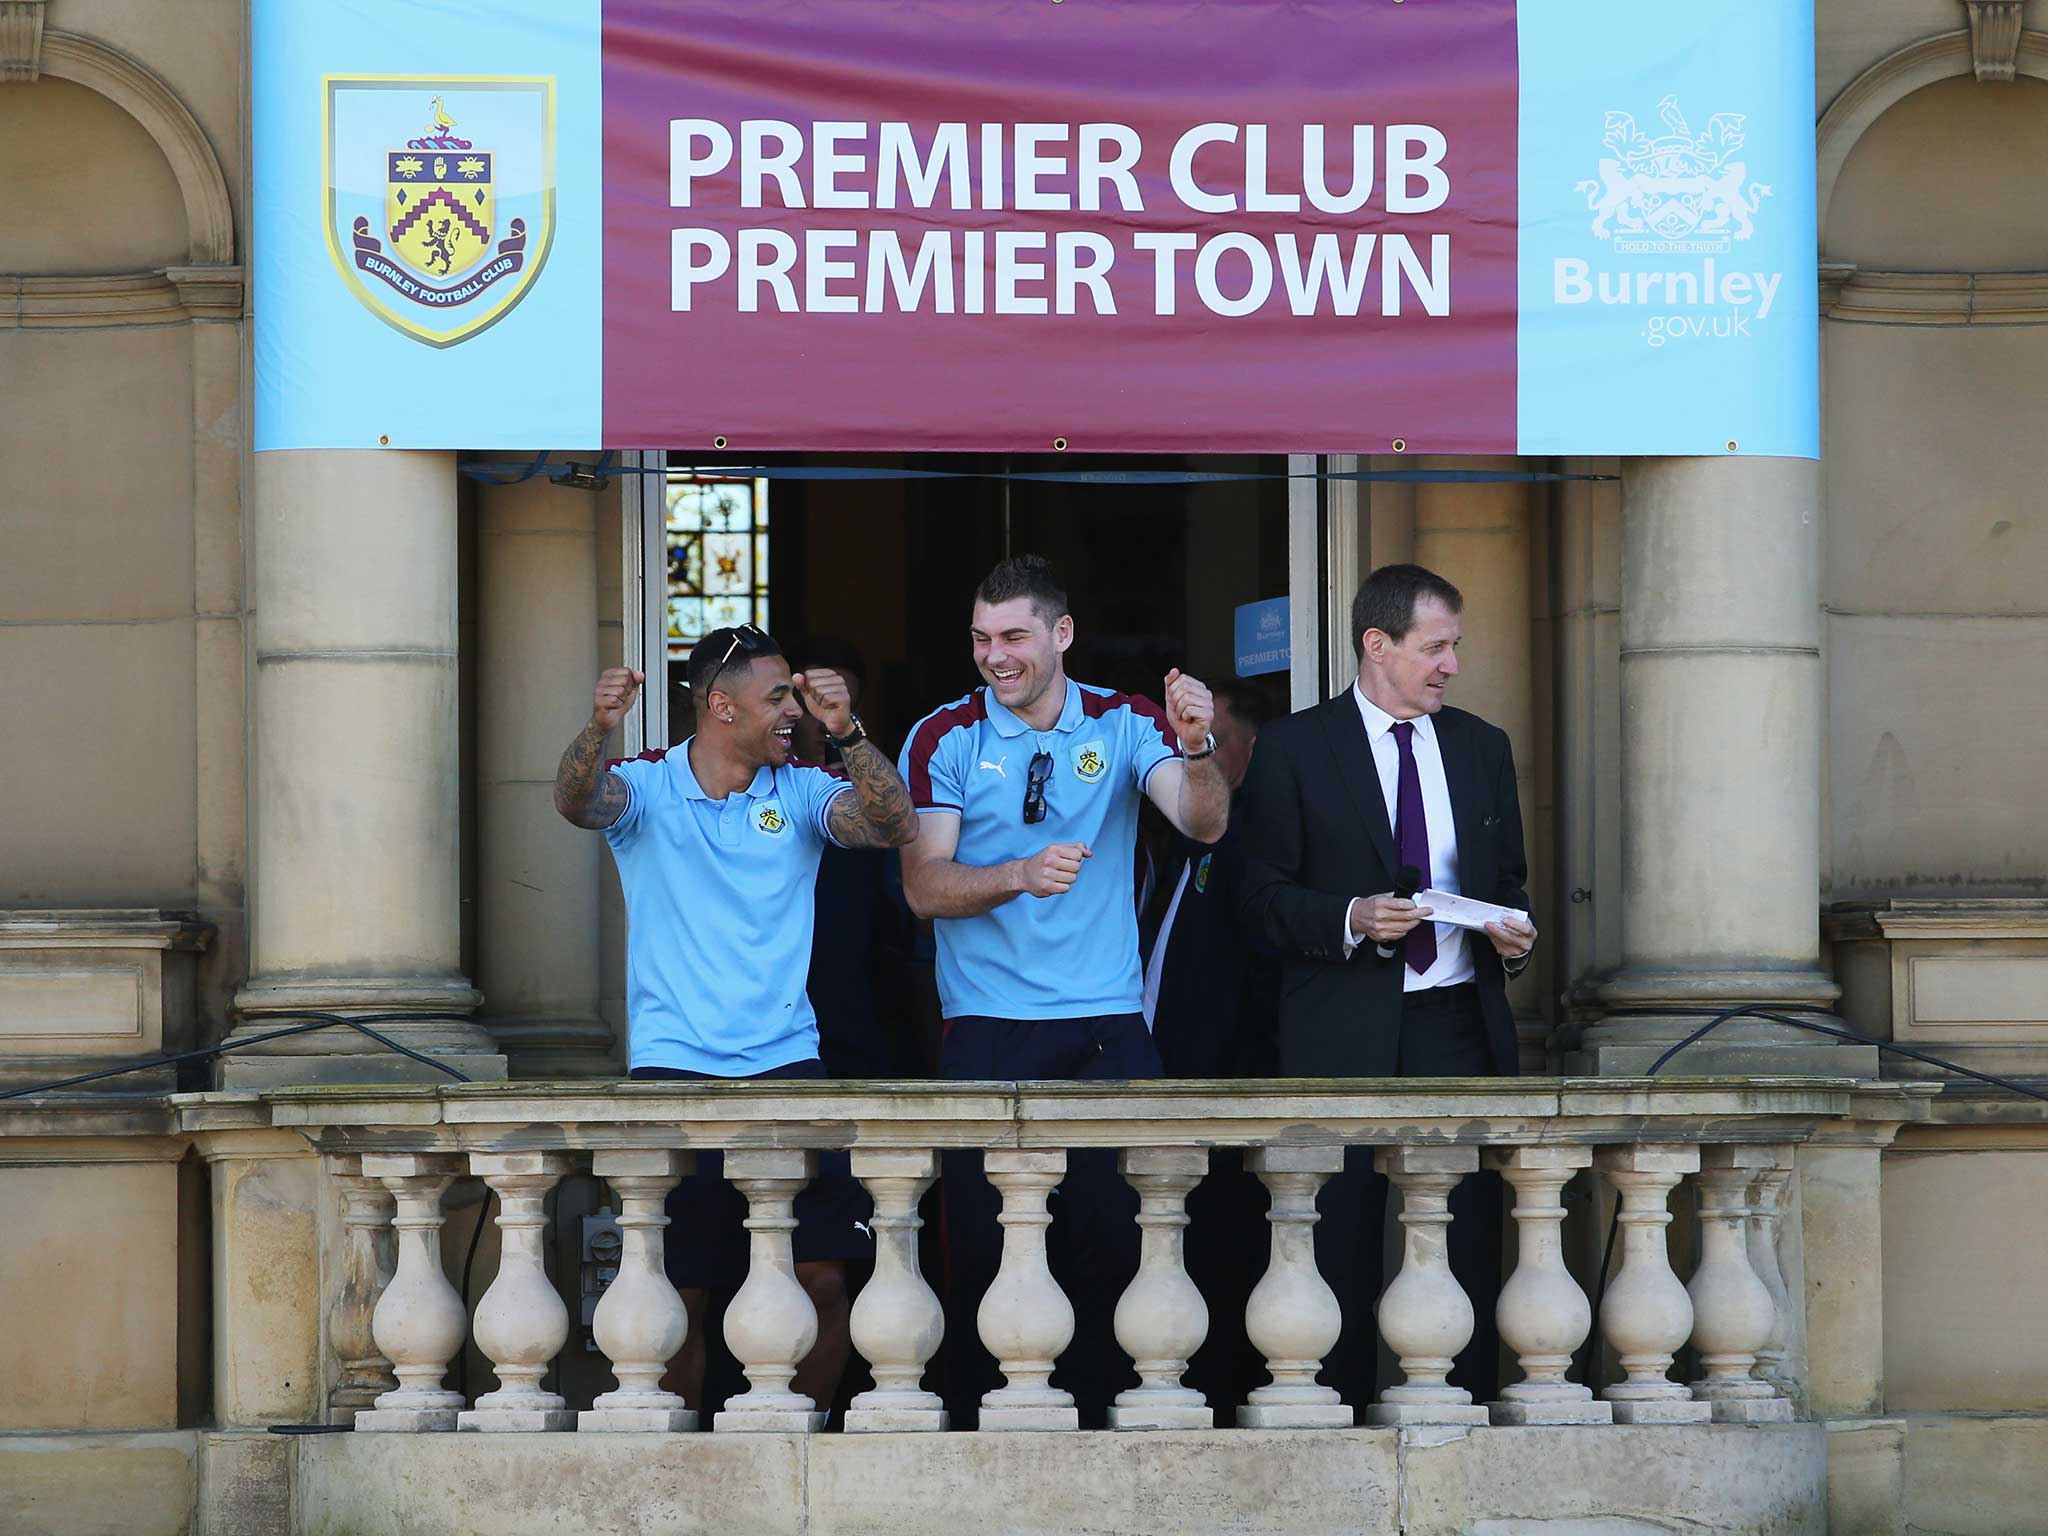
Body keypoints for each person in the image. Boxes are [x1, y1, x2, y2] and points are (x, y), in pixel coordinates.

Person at [551, 622, 918, 1418]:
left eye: (795, 695)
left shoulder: (805, 786)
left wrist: (847, 731)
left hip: (789, 1068)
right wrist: (596, 729)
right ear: (721, 706)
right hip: (674, 1073)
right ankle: (686, 1464)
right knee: (681, 1291)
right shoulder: (647, 785)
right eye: (778, 696)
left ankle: (797, 1438)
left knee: (822, 1278)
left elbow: (895, 826)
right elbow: (576, 800)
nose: (794, 709)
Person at [897, 554, 1228, 1426]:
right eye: (980, 638)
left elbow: (1203, 821)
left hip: (1109, 1028)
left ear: (1062, 634)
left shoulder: (1125, 722)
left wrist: (1197, 748)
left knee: (1123, 1250)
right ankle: (983, 1439)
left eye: (1013, 636)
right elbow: (924, 889)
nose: (994, 656)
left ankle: (1116, 1440)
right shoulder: (943, 735)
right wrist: (1017, 874)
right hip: (987, 1031)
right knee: (983, 1255)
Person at [1237, 563, 1537, 1413]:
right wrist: (1350, 917)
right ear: (1377, 644)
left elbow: (1508, 881)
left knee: (1465, 1236)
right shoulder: (1296, 747)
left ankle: (1458, 1416)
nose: (1450, 665)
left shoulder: (1482, 747)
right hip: (1340, 1027)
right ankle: (1327, 1421)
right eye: (1434, 647)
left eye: (1455, 647)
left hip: (1456, 1024)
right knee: (1336, 1236)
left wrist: (1513, 936)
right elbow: (1254, 900)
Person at [1137, 677, 1280, 1418]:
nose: (1194, 759)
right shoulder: (1182, 840)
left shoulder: (1257, 842)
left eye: (1213, 744)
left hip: (1222, 1096)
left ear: (1251, 754)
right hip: (1168, 1089)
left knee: (1223, 1263)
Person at [788, 636, 920, 1081]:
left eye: (842, 707)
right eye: (816, 705)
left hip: (857, 983)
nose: (827, 721)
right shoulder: (756, 784)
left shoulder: (874, 793)